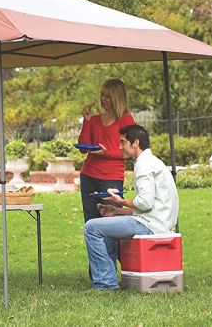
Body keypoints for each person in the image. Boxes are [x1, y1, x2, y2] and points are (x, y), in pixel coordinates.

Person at [83, 124, 179, 291]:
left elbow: (144, 203)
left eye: (123, 142)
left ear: (135, 142)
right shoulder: (152, 162)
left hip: (150, 226)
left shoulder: (144, 165)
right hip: (157, 222)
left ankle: (105, 285)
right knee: (103, 225)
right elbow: (149, 206)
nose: (120, 147)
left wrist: (120, 201)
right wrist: (117, 212)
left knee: (91, 227)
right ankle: (107, 280)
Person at [78, 78, 135, 222]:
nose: (102, 99)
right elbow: (83, 148)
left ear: (116, 98)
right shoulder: (95, 119)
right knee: (91, 222)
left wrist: (106, 152)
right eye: (102, 94)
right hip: (88, 176)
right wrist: (86, 120)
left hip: (111, 179)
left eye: (107, 96)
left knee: (112, 222)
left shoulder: (126, 120)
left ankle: (112, 246)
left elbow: (131, 151)